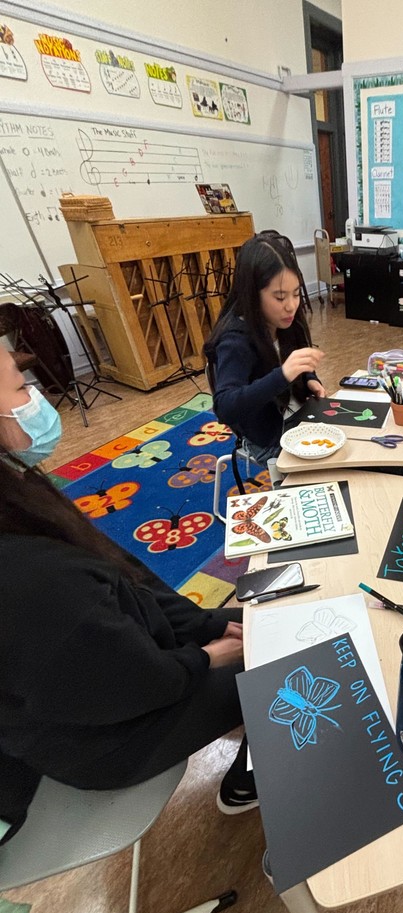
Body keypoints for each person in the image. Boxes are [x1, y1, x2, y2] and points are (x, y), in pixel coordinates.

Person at [0, 346, 257, 846]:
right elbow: (127, 683)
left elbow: (122, 573)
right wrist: (208, 657)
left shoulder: (18, 496)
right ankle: (252, 778)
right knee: (282, 656)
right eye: (19, 387)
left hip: (116, 668)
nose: (35, 396)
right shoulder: (29, 578)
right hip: (104, 737)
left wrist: (204, 625)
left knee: (264, 622)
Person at [204, 231, 326, 466]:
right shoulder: (235, 339)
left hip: (300, 418)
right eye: (280, 297)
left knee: (371, 450)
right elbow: (225, 408)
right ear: (252, 294)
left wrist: (310, 378)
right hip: (268, 441)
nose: (291, 306)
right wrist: (282, 376)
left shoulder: (286, 321)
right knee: (351, 476)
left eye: (296, 294)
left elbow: (297, 356)